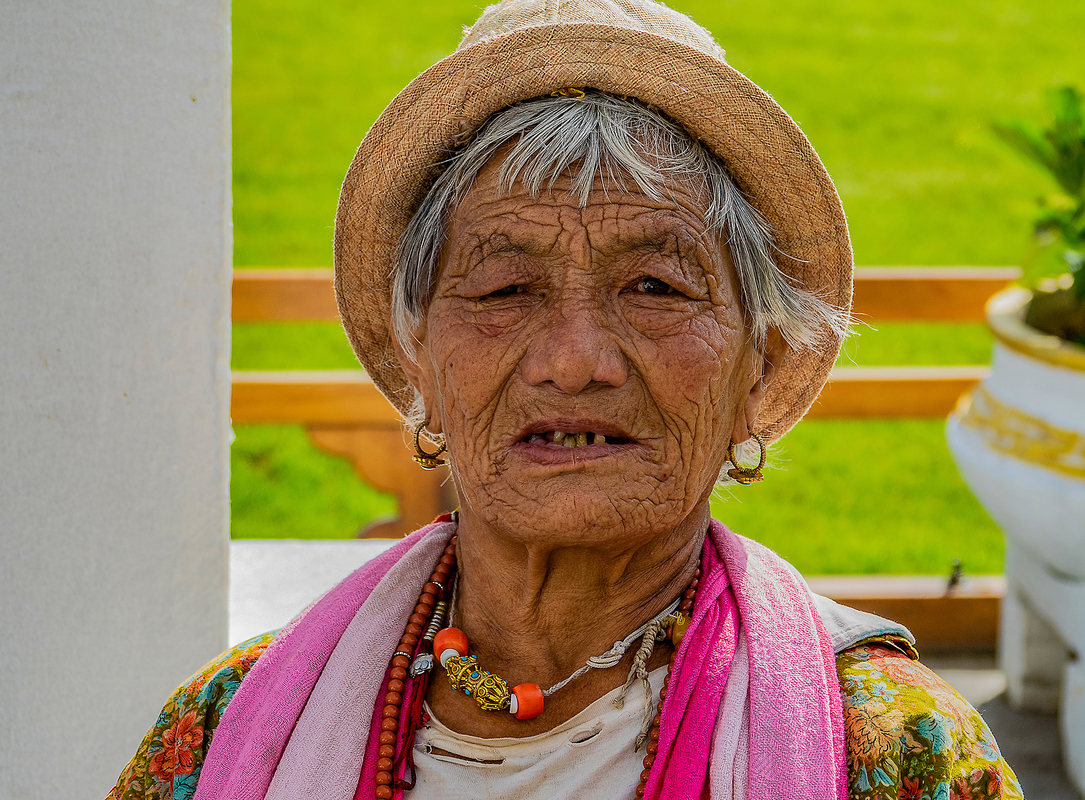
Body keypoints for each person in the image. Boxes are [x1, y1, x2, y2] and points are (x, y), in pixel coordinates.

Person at [109, 1, 1022, 798]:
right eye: (504, 290)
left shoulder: (896, 755)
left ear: (762, 362)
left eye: (657, 288)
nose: (575, 361)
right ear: (416, 358)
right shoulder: (225, 730)